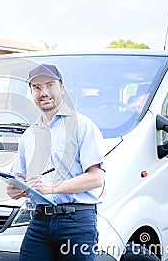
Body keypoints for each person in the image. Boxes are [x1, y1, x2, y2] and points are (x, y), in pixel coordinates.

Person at [7, 64, 105, 260]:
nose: (43, 92)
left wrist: (53, 187)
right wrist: (14, 189)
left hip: (76, 222)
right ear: (31, 92)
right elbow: (18, 178)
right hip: (39, 222)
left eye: (50, 85)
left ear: (62, 88)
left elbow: (96, 178)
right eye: (36, 87)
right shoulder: (29, 135)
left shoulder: (83, 126)